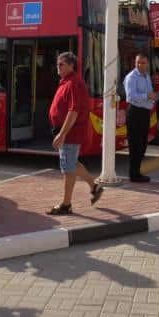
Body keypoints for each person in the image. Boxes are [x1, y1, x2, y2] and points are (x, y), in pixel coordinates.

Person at [47, 51, 103, 214]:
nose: (58, 67)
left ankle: (66, 204)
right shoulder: (66, 82)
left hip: (71, 133)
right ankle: (95, 187)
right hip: (69, 132)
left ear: (71, 65)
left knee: (68, 168)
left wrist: (62, 134)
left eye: (61, 64)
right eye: (57, 64)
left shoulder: (74, 84)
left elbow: (74, 111)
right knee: (71, 163)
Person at [123, 53, 158, 182]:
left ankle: (137, 172)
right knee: (135, 144)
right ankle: (134, 174)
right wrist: (147, 96)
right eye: (138, 62)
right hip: (134, 112)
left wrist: (154, 96)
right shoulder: (131, 77)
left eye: (143, 62)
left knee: (143, 144)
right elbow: (130, 97)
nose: (140, 65)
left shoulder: (146, 76)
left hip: (144, 113)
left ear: (147, 64)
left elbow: (148, 93)